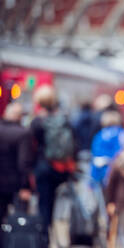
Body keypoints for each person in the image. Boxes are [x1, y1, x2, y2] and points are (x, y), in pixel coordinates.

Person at [30, 85, 76, 241]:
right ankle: (62, 235)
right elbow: (74, 144)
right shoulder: (64, 119)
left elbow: (32, 147)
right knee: (62, 203)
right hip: (62, 168)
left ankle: (44, 239)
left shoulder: (37, 122)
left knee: (44, 205)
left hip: (44, 167)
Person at [0, 102, 34, 224]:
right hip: (14, 183)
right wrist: (25, 186)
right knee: (18, 221)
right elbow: (23, 162)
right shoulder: (23, 133)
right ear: (20, 117)